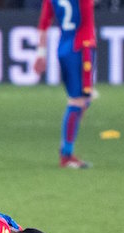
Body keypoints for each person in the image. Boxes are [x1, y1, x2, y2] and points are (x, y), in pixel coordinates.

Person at [33, 0, 96, 169]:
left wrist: (41, 53)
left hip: (64, 48)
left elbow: (44, 24)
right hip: (81, 47)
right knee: (78, 102)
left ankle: (67, 150)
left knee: (84, 99)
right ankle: (67, 155)